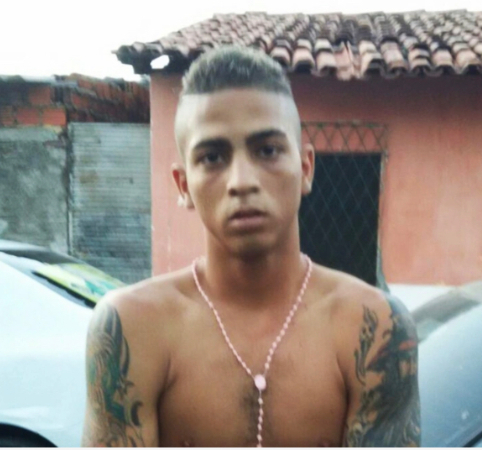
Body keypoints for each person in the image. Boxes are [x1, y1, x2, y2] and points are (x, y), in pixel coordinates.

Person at [81, 46, 420, 447]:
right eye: (212, 157)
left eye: (268, 150)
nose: (242, 181)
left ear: (306, 168)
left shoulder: (372, 327)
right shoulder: (134, 329)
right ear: (183, 185)